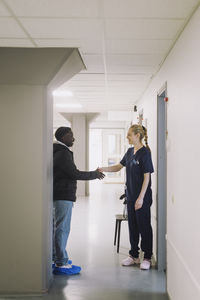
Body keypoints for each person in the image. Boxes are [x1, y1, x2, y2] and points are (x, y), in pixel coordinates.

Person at [99, 125, 154, 270]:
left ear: (137, 135)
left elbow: (146, 178)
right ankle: (134, 256)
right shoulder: (130, 152)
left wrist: (141, 198)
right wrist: (104, 168)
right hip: (130, 196)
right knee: (133, 227)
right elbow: (118, 166)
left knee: (144, 227)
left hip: (142, 197)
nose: (127, 137)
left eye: (129, 134)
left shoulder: (145, 153)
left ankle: (147, 257)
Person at [53, 126, 105, 275]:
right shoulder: (63, 153)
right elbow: (73, 173)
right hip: (63, 195)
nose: (73, 139)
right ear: (63, 138)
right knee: (62, 229)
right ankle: (61, 263)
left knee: (57, 228)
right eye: (71, 136)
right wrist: (94, 175)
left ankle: (55, 258)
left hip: (58, 193)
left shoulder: (56, 151)